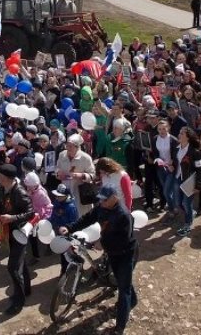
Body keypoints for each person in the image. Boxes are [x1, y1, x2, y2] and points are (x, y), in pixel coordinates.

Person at [59, 185, 139, 335]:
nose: (101, 202)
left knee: (123, 289)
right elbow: (87, 218)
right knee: (124, 282)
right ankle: (133, 301)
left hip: (126, 254)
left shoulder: (124, 215)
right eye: (100, 199)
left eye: (104, 200)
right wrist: (70, 228)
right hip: (113, 253)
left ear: (114, 198)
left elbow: (123, 239)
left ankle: (120, 327)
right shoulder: (101, 207)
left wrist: (103, 243)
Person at [0, 163, 35, 316]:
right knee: (20, 261)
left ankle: (19, 302)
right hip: (9, 232)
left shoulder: (19, 192)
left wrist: (12, 218)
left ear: (8, 178)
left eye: (1, 177)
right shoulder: (2, 189)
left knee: (13, 267)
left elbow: (31, 213)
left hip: (19, 233)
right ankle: (26, 289)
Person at [173, 127, 201, 237]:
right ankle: (191, 212)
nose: (179, 135)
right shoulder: (177, 149)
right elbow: (177, 163)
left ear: (188, 137)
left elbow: (199, 169)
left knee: (186, 203)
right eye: (179, 133)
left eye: (182, 133)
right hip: (177, 178)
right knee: (178, 203)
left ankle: (187, 225)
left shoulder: (195, 152)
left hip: (189, 181)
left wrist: (199, 185)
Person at [56, 134, 96, 216]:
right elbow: (57, 167)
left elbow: (93, 175)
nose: (68, 148)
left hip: (79, 193)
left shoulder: (85, 158)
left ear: (77, 147)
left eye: (71, 146)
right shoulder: (62, 155)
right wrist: (58, 173)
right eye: (67, 145)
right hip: (65, 192)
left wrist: (82, 175)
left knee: (79, 216)